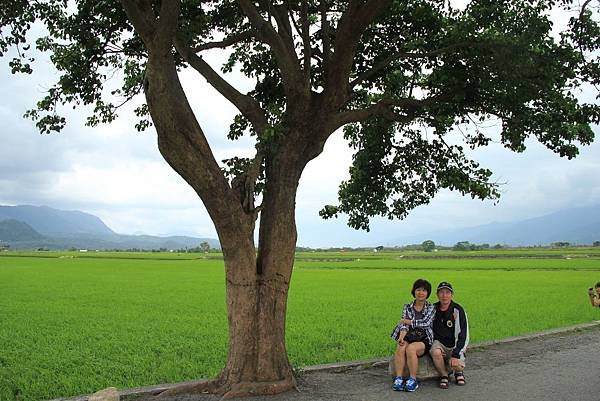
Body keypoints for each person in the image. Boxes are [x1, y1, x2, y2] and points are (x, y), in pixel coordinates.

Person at [390, 278, 435, 392]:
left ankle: (413, 380)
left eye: (424, 290)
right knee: (401, 347)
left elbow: (426, 323)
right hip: (410, 336)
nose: (421, 293)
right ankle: (399, 378)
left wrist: (408, 321)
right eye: (418, 289)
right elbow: (404, 326)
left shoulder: (431, 307)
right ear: (414, 291)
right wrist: (401, 337)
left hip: (424, 338)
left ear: (427, 293)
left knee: (410, 349)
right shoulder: (407, 306)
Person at [430, 281, 469, 389]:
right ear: (437, 295)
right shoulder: (432, 309)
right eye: (441, 292)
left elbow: (463, 335)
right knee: (435, 352)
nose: (444, 296)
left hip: (454, 344)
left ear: (452, 295)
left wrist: (456, 354)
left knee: (457, 364)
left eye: (447, 292)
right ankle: (444, 375)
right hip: (440, 343)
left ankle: (458, 373)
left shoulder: (458, 310)